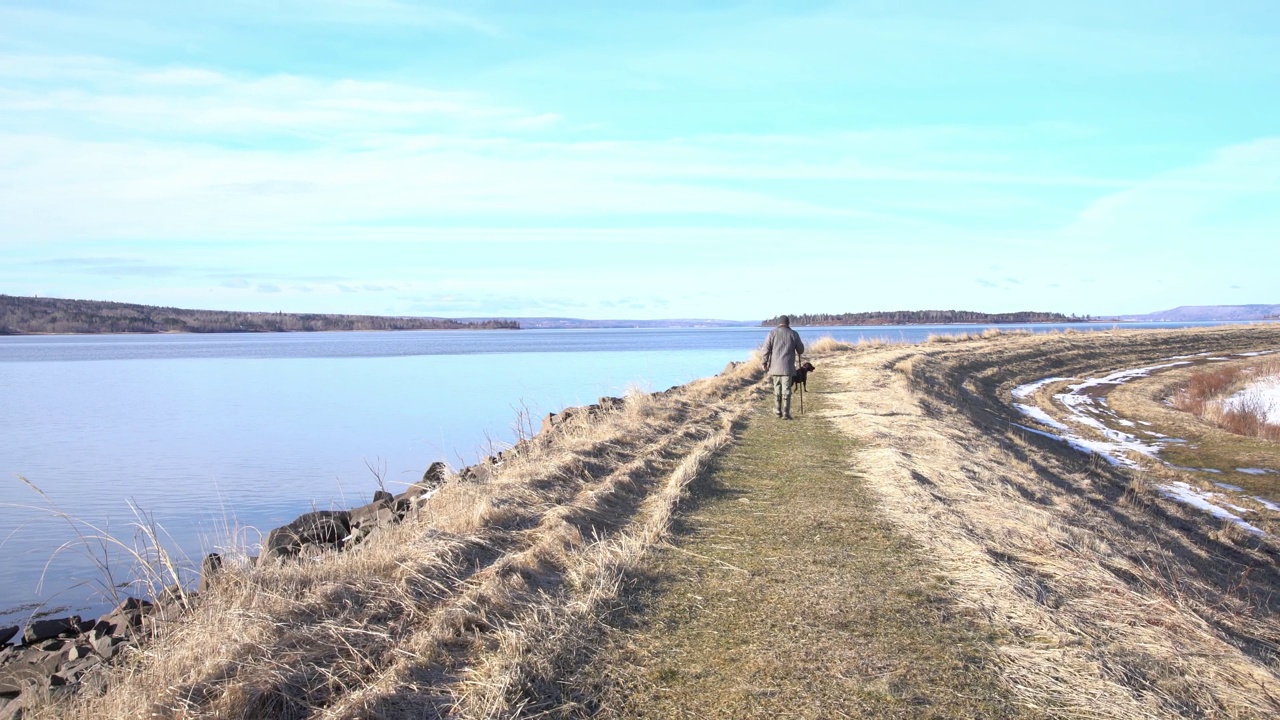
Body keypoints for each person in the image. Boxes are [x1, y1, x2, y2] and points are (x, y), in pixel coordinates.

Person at [761, 315, 804, 419]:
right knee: (787, 389)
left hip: (775, 367)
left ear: (779, 323)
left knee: (777, 388)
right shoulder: (794, 334)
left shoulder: (772, 333)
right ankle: (786, 412)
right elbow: (800, 350)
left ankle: (778, 410)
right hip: (788, 367)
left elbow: (765, 350)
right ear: (788, 323)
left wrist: (764, 362)